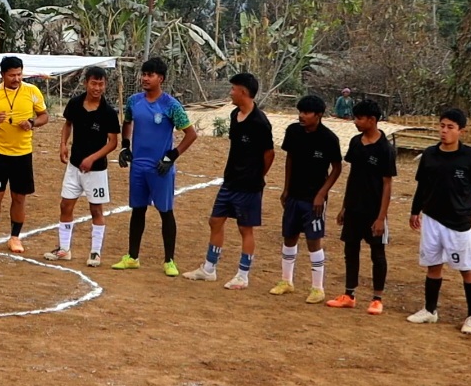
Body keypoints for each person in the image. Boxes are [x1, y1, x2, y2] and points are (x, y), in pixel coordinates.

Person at [406, 108, 471, 335]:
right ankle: (430, 310)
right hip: (432, 219)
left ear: (461, 131)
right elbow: (422, 186)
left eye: (450, 127)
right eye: (442, 126)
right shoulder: (430, 155)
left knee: (466, 268)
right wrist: (415, 211)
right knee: (433, 266)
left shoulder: (470, 156)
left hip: (459, 222)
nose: (444, 131)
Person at [183, 72, 274, 289]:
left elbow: (269, 154)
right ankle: (209, 269)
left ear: (243, 91)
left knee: (245, 229)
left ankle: (243, 275)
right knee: (215, 220)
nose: (230, 92)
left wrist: (256, 176)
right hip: (230, 181)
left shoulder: (260, 122)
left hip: (249, 185)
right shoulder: (234, 115)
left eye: (233, 89)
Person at [109, 58, 197, 274]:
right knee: (137, 211)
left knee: (165, 212)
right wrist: (125, 146)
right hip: (138, 166)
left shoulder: (171, 105)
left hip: (160, 168)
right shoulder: (134, 101)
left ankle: (169, 261)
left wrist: (171, 157)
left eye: (150, 75)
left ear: (161, 79)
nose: (145, 78)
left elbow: (191, 134)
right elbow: (127, 121)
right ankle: (132, 257)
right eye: (144, 74)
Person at [44, 65, 121, 267]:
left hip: (96, 171)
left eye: (101, 84)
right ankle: (64, 249)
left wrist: (92, 158)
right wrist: (63, 144)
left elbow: (113, 142)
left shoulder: (108, 113)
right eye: (94, 83)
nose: (97, 88)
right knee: (65, 205)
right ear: (86, 82)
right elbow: (68, 124)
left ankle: (95, 252)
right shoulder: (76, 104)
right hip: (74, 166)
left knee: (96, 209)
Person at [268, 95, 342, 304]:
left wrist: (321, 194)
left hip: (313, 199)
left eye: (307, 113)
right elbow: (290, 158)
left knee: (313, 240)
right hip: (294, 195)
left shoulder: (329, 139)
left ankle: (317, 288)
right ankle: (286, 281)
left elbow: (337, 168)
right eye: (300, 111)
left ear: (318, 115)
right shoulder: (293, 132)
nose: (301, 116)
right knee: (289, 237)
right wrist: (286, 188)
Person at [327, 99, 396, 315]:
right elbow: (352, 176)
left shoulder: (386, 149)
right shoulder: (356, 142)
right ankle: (349, 294)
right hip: (354, 208)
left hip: (374, 210)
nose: (355, 121)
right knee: (351, 249)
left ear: (372, 120)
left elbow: (387, 183)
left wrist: (381, 216)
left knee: (377, 253)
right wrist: (345, 206)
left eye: (359, 118)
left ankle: (377, 298)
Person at [0, 56, 49, 253]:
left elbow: (44, 116)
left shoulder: (32, 92)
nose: (16, 79)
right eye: (12, 75)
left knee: (19, 197)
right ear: (2, 75)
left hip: (23, 154)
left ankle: (15, 237)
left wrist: (32, 123)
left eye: (19, 74)